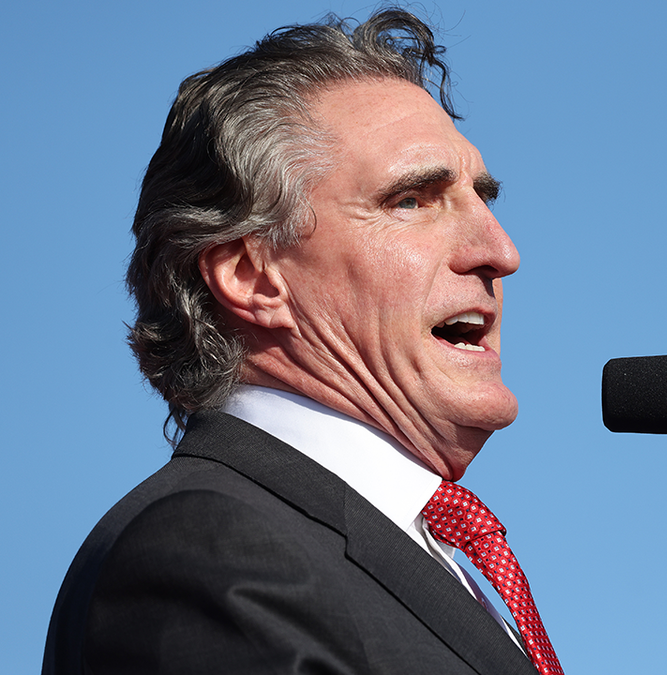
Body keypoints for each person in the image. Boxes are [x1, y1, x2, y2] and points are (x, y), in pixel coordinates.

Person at [43, 9, 560, 675]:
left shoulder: (428, 559)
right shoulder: (206, 553)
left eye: (483, 200)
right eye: (412, 201)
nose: (501, 251)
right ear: (251, 275)